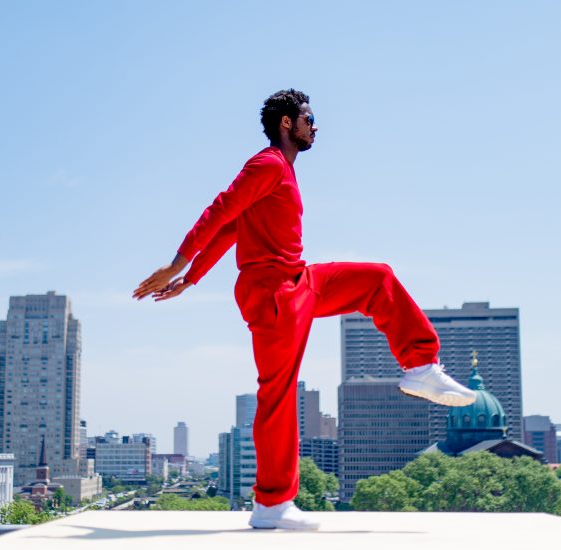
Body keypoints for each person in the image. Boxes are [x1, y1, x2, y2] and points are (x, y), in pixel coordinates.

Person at [133, 89, 475, 530]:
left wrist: (192, 277)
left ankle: (421, 366)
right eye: (309, 118)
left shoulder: (283, 172)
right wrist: (179, 265)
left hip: (300, 280)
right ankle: (272, 504)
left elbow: (233, 227)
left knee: (377, 279)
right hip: (273, 291)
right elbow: (221, 211)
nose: (316, 126)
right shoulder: (267, 164)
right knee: (277, 394)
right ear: (286, 124)